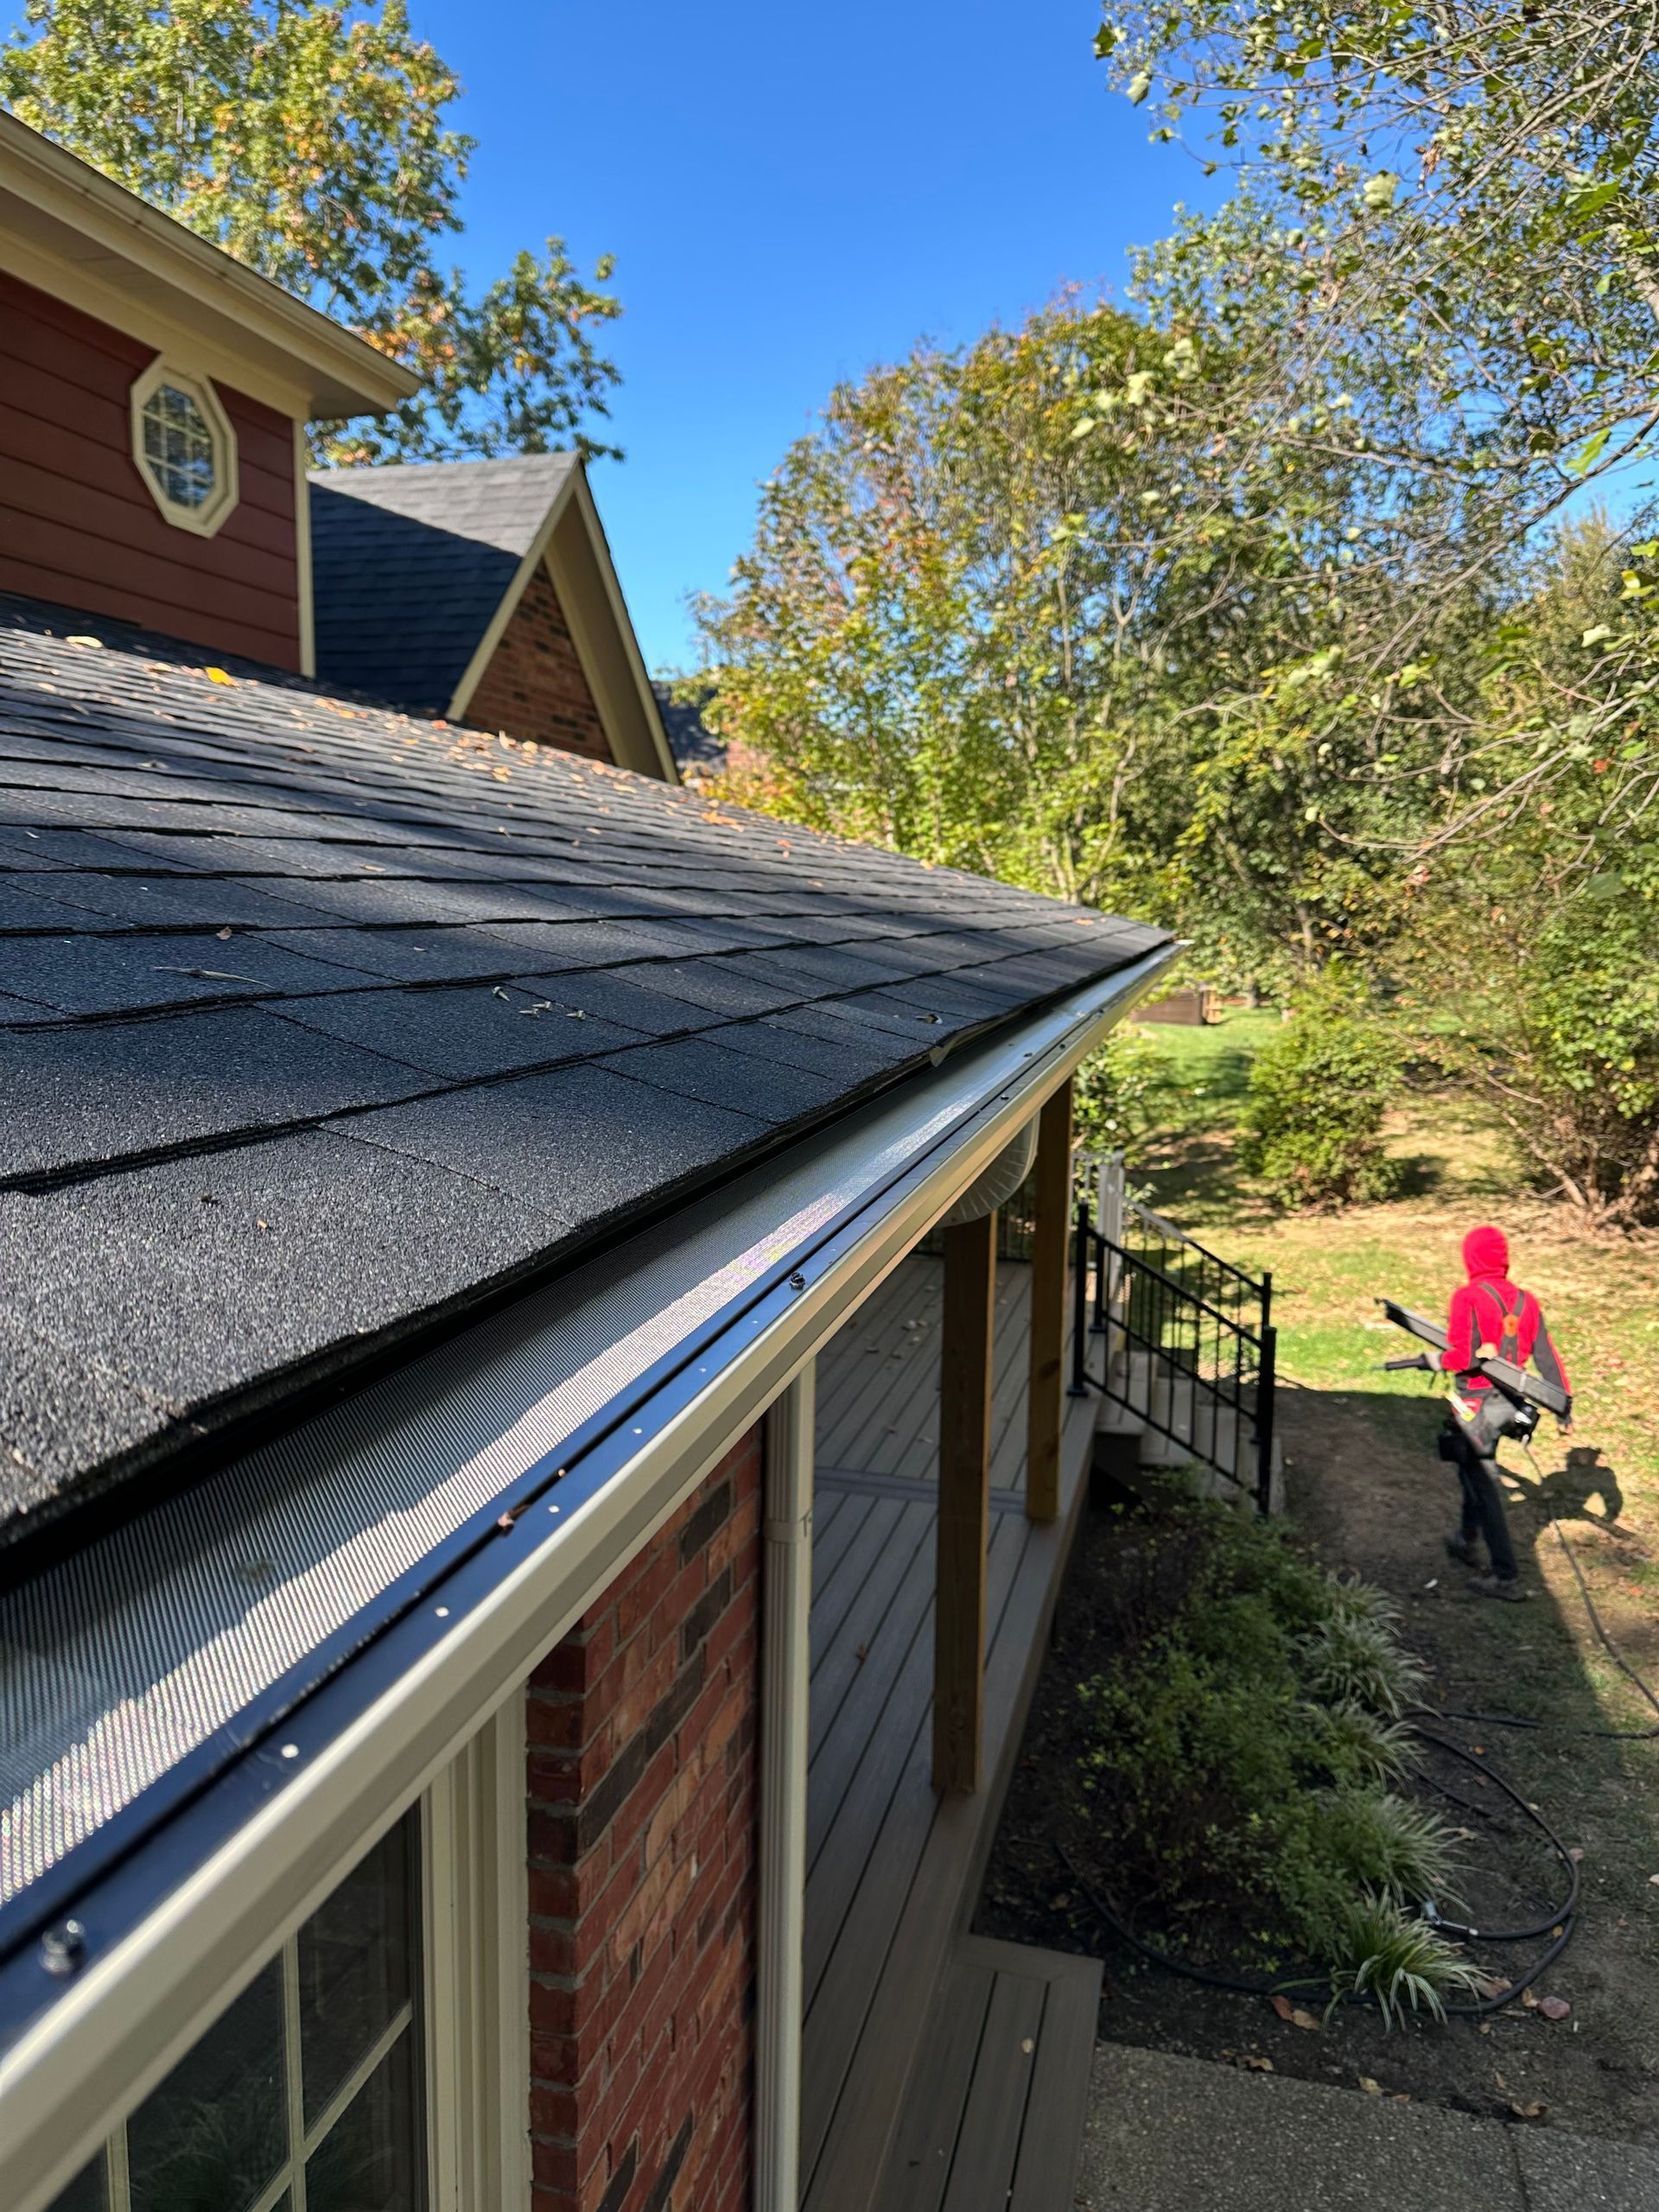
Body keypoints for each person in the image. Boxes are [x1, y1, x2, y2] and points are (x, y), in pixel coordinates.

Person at [1440, 1224, 1573, 1601]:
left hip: (1475, 1405)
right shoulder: (1526, 1301)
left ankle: (1505, 1575)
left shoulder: (1467, 1297)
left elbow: (1463, 1356)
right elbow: (1546, 1354)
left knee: (1483, 1483)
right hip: (1509, 1405)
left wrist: (1435, 1360)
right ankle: (1465, 1540)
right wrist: (1563, 1403)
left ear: (1472, 1257)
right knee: (1474, 1468)